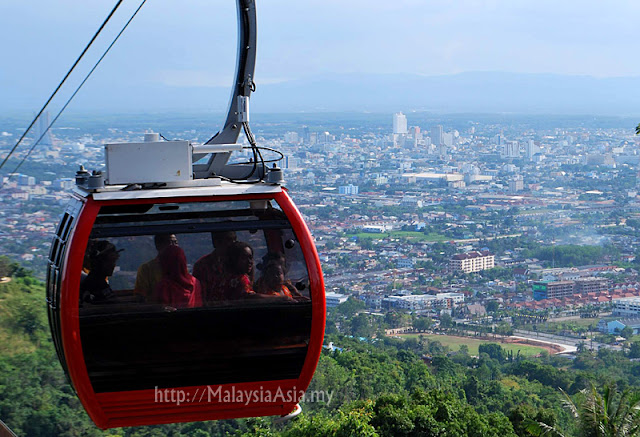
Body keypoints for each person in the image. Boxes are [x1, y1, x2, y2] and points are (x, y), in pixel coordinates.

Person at [192, 230, 237, 302]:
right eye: (229, 240)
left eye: (235, 239)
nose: (233, 243)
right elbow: (200, 296)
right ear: (216, 242)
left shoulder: (240, 262)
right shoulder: (202, 266)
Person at [134, 234, 178, 300]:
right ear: (158, 246)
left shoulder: (180, 267)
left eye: (176, 242)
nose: (174, 246)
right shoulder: (146, 269)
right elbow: (140, 296)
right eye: (170, 243)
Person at [80, 240, 122, 305]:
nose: (113, 265)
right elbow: (110, 307)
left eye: (114, 261)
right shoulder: (95, 284)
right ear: (98, 262)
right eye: (109, 261)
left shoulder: (100, 282)